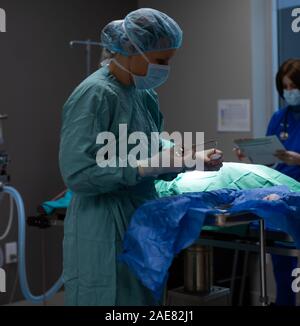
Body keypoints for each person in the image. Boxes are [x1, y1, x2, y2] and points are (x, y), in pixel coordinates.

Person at [59, 8, 223, 306]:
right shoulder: (95, 95)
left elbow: (153, 143)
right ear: (133, 50)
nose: (165, 69)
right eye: (161, 61)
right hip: (104, 227)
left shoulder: (143, 94)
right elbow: (78, 173)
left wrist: (188, 158)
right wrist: (144, 167)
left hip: (142, 221)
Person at [235, 59, 300, 305]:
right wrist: (251, 155)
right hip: (281, 198)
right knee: (283, 268)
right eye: (285, 87)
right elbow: (269, 161)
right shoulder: (279, 117)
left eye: (294, 85)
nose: (290, 91)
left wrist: (299, 160)